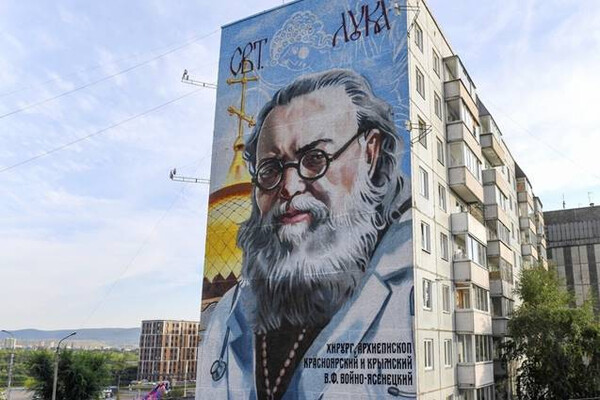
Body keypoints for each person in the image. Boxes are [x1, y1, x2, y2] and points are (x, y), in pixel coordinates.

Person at [198, 69, 415, 399]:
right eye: (270, 169)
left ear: (370, 153)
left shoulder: (413, 290)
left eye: (315, 159)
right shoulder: (227, 315)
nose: (289, 187)